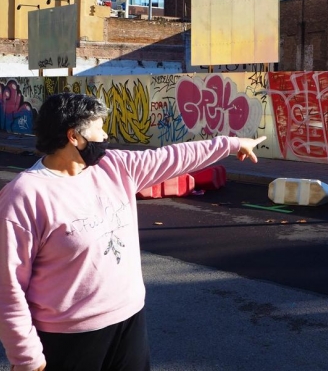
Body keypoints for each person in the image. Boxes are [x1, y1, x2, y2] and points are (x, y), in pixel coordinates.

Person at [0, 92, 266, 371]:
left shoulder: (115, 166)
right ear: (74, 137)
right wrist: (26, 356)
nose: (105, 136)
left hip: (128, 321)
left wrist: (232, 143)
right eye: (99, 128)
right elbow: (8, 286)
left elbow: (172, 157)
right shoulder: (25, 195)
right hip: (67, 337)